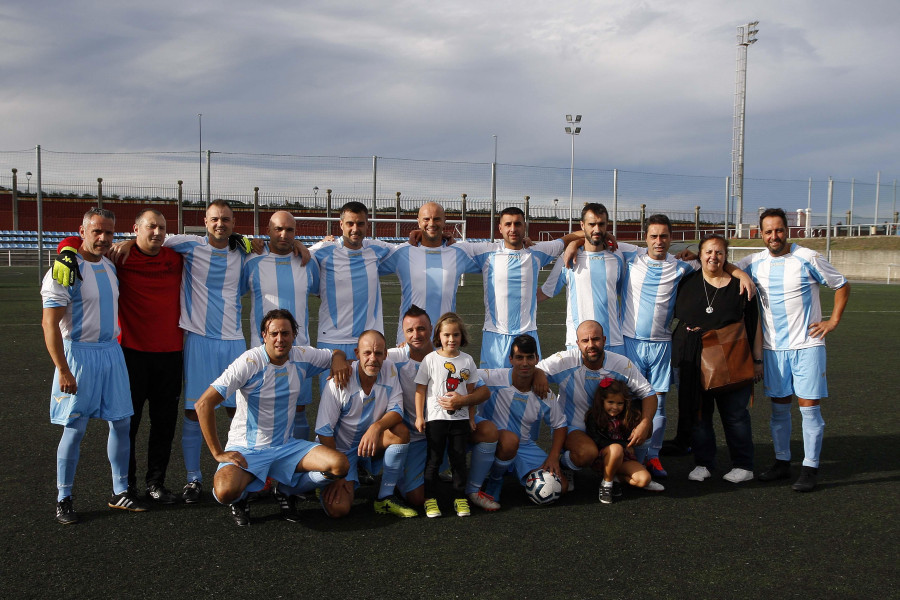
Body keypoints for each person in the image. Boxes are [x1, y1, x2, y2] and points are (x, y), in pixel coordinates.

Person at [605, 214, 752, 478]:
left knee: (658, 405)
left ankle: (653, 457)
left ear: (671, 239)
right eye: (653, 236)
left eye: (664, 236)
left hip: (663, 345)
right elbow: (598, 235)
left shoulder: (682, 266)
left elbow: (714, 263)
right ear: (645, 237)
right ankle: (628, 454)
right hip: (630, 342)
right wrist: (570, 244)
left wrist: (740, 272)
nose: (658, 241)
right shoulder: (631, 255)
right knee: (631, 403)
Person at [53, 208, 185, 503]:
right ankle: (127, 487)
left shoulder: (177, 256)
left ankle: (156, 484)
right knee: (127, 424)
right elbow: (84, 242)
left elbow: (216, 240)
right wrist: (65, 250)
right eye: (151, 226)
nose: (157, 232)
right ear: (136, 229)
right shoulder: (118, 257)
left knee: (164, 425)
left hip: (171, 354)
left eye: (162, 228)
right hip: (129, 354)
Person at [194, 309, 351, 526]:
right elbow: (203, 404)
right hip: (248, 450)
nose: (280, 339)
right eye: (274, 333)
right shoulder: (249, 362)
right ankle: (240, 498)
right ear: (263, 336)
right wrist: (218, 453)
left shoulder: (302, 356)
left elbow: (335, 354)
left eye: (285, 333)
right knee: (225, 492)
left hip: (285, 447)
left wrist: (338, 359)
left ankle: (286, 490)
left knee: (339, 465)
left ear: (294, 335)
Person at [41, 207, 146, 524]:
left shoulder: (111, 266)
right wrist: (63, 368)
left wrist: (126, 242)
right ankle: (64, 498)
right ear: (82, 231)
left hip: (112, 354)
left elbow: (131, 243)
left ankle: (119, 491)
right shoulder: (64, 270)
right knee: (75, 429)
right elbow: (49, 325)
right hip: (79, 355)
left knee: (122, 423)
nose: (102, 238)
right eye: (96, 231)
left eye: (109, 233)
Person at [735, 208, 850, 492]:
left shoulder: (807, 257)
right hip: (774, 349)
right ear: (760, 234)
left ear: (788, 230)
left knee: (809, 408)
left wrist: (832, 321)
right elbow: (723, 264)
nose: (774, 236)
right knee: (779, 409)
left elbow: (841, 284)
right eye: (768, 231)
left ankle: (810, 467)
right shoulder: (754, 262)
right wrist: (737, 272)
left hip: (807, 345)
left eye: (779, 230)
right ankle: (782, 462)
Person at [671, 234, 763, 484]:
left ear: (726, 256)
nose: (714, 257)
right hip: (691, 359)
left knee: (735, 415)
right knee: (699, 415)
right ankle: (703, 463)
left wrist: (757, 361)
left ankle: (743, 465)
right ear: (699, 255)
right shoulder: (686, 281)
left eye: (719, 252)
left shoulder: (741, 286)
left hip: (731, 358)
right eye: (708, 252)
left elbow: (754, 325)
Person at [536, 320, 663, 497]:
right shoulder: (565, 360)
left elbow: (648, 393)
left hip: (611, 431)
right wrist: (539, 374)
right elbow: (534, 371)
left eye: (595, 339)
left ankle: (620, 469)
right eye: (585, 340)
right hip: (575, 428)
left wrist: (645, 422)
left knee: (645, 425)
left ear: (604, 340)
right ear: (578, 343)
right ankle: (566, 466)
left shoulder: (620, 363)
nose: (591, 345)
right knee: (588, 452)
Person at [389, 305, 497, 510]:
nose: (416, 334)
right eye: (410, 330)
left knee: (489, 431)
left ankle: (471, 490)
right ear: (402, 333)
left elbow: (483, 392)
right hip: (420, 434)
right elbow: (368, 357)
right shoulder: (395, 357)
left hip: (458, 421)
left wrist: (461, 401)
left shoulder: (457, 357)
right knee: (417, 499)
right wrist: (339, 359)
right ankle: (407, 477)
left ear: (432, 329)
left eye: (421, 329)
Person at [315, 330, 416, 518]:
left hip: (368, 444)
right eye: (367, 353)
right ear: (357, 354)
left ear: (385, 354)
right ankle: (324, 481)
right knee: (339, 510)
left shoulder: (389, 369)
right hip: (339, 451)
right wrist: (338, 472)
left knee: (400, 432)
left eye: (378, 353)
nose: (373, 359)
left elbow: (397, 411)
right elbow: (324, 431)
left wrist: (376, 427)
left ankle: (385, 497)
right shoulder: (339, 380)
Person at [466, 207, 583, 368]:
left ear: (525, 226)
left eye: (517, 224)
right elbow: (450, 247)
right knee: (493, 389)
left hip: (528, 333)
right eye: (508, 224)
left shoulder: (537, 252)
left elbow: (577, 234)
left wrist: (575, 243)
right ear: (500, 228)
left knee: (531, 389)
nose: (513, 229)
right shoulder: (486, 252)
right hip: (495, 336)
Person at [242, 210, 320, 440]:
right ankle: (263, 468)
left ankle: (297, 470)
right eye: (278, 229)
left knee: (298, 411)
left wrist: (303, 247)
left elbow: (317, 290)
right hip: (262, 352)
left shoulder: (307, 262)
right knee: (262, 412)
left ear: (296, 233)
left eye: (289, 230)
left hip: (299, 351)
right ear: (268, 231)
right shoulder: (251, 261)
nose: (284, 234)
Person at [311, 201, 396, 386]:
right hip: (332, 341)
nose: (355, 229)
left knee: (368, 401)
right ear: (341, 225)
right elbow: (296, 256)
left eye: (360, 223)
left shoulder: (377, 249)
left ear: (368, 225)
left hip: (369, 341)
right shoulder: (322, 251)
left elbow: (410, 250)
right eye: (350, 223)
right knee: (332, 399)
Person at [479, 335, 569, 507]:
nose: (525, 363)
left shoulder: (543, 392)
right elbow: (465, 374)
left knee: (561, 486)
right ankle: (495, 480)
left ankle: (512, 470)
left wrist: (553, 457)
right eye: (519, 357)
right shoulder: (493, 378)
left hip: (524, 446)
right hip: (492, 444)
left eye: (529, 357)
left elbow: (559, 425)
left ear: (537, 359)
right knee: (508, 441)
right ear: (511, 359)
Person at [379, 202, 482, 344]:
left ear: (444, 222)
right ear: (419, 222)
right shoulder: (402, 252)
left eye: (437, 219)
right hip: (409, 341)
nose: (431, 223)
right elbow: (365, 259)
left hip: (445, 341)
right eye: (426, 219)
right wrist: (338, 243)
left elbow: (495, 258)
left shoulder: (459, 252)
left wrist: (523, 245)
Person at [415, 312, 484, 517]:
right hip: (436, 419)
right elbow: (420, 390)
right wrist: (420, 417)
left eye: (455, 335)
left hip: (460, 419)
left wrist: (471, 417)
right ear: (439, 336)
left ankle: (459, 498)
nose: (451, 339)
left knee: (459, 459)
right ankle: (430, 499)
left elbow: (470, 393)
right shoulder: (430, 359)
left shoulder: (468, 360)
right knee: (434, 459)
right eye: (446, 335)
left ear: (462, 336)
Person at [539, 203, 625, 352]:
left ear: (607, 225)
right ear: (582, 225)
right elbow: (546, 292)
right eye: (592, 224)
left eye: (601, 224)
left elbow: (625, 293)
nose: (597, 229)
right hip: (577, 343)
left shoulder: (617, 256)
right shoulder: (567, 258)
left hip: (613, 342)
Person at [585, 378, 655, 504]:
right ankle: (606, 484)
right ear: (602, 401)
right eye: (610, 402)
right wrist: (623, 445)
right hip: (604, 457)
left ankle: (615, 477)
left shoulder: (628, 415)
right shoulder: (593, 416)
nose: (615, 407)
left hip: (624, 458)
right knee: (616, 448)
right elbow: (597, 440)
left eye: (619, 403)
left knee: (644, 480)